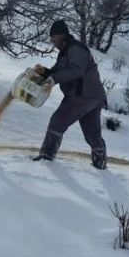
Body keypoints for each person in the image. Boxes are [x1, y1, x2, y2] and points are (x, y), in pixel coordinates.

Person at [32, 20, 108, 169]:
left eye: (53, 38)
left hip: (82, 94)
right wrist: (45, 73)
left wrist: (54, 79)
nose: (52, 41)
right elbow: (59, 70)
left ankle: (46, 157)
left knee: (57, 121)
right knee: (92, 134)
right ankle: (100, 163)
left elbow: (76, 71)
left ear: (61, 35)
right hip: (93, 96)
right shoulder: (67, 50)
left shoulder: (75, 49)